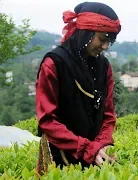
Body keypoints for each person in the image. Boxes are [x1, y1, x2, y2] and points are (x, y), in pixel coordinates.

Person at [35, 2, 121, 175]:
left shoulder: (104, 67)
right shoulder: (53, 63)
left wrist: (101, 144)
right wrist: (87, 148)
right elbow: (47, 120)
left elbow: (108, 114)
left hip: (94, 152)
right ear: (86, 32)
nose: (105, 47)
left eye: (109, 42)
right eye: (102, 39)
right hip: (59, 152)